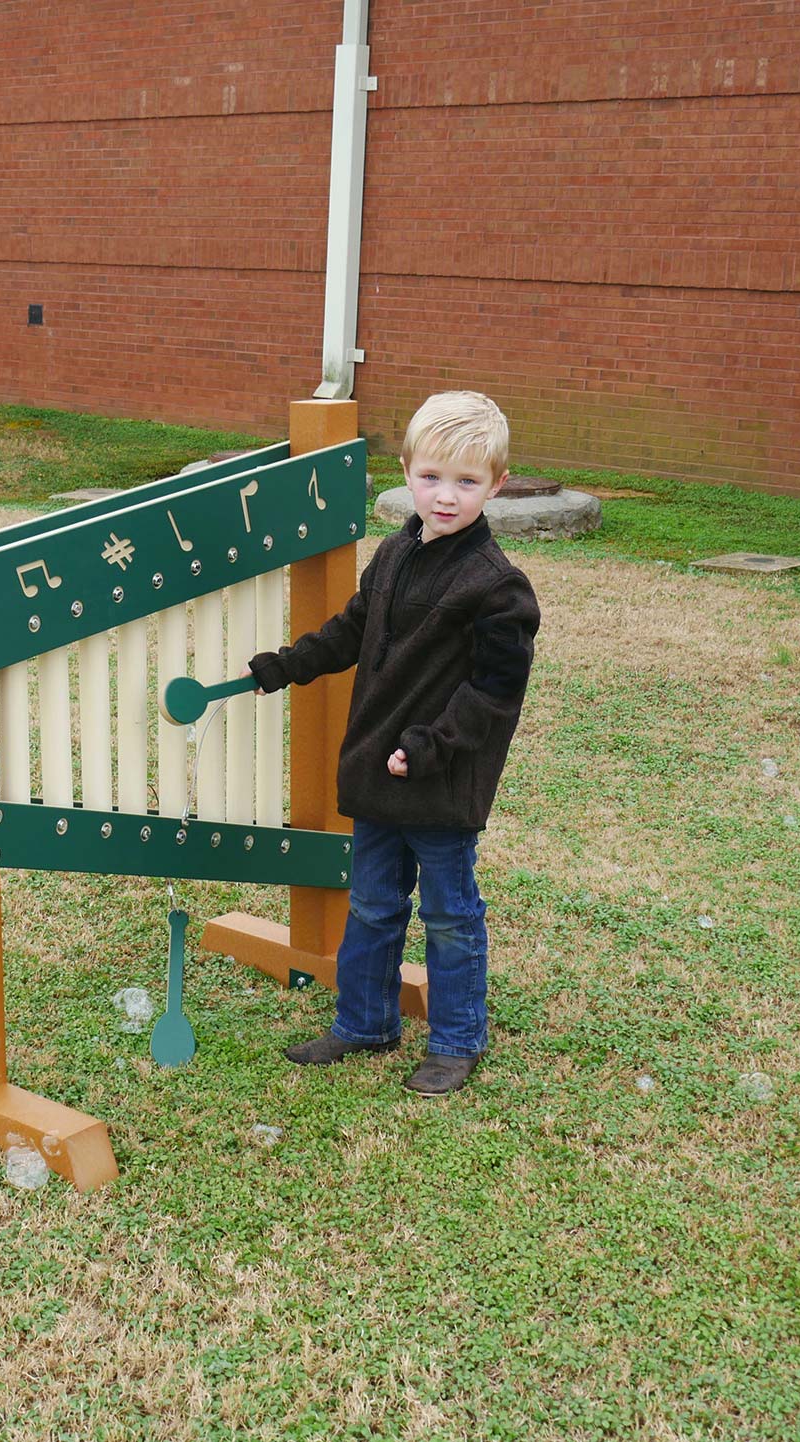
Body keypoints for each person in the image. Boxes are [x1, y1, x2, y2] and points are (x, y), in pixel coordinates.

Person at [247, 391, 541, 1095]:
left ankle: (457, 1039)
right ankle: (364, 1022)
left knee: (448, 913)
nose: (446, 496)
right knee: (373, 904)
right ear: (406, 473)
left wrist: (434, 745)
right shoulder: (393, 553)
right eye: (432, 477)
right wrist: (288, 666)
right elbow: (352, 630)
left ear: (496, 485)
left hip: (439, 780)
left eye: (467, 482)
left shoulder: (499, 588)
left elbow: (496, 693)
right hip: (378, 772)